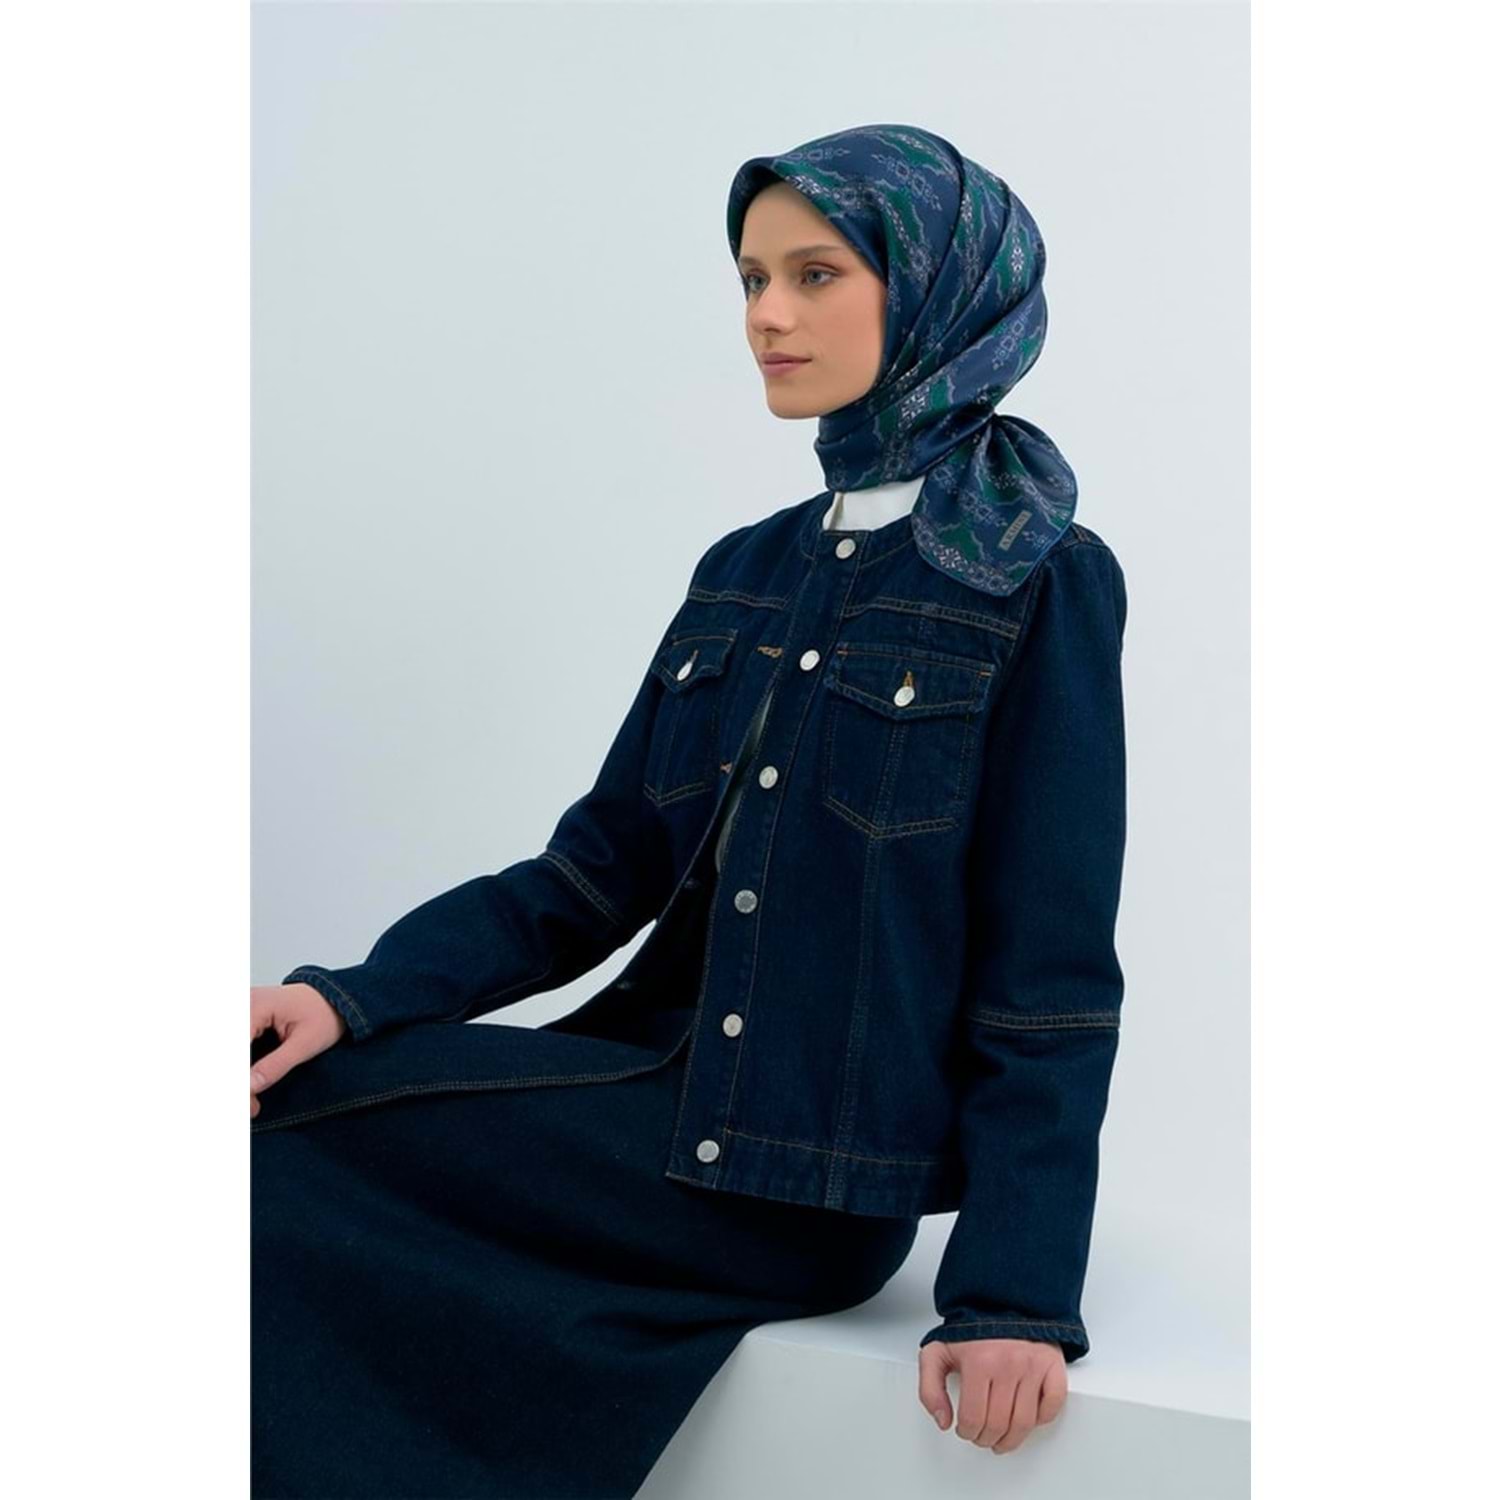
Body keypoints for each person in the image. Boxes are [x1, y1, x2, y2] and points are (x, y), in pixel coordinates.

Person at [251, 122, 1128, 1496]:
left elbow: (1051, 971)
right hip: (653, 1104)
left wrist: (1013, 1294)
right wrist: (352, 998)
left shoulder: (1038, 579)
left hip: (807, 1189)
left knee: (276, 1160)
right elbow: (592, 873)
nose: (768, 316)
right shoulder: (746, 571)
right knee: (281, 1096)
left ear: (939, 289)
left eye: (816, 274)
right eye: (751, 279)